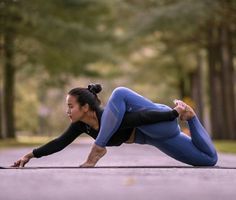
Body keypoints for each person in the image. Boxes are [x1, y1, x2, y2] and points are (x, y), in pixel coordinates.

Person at [12, 84, 218, 168]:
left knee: (119, 92)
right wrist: (30, 155)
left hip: (158, 122)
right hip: (156, 138)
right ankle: (191, 117)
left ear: (85, 107)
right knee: (208, 160)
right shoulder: (80, 126)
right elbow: (59, 142)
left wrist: (172, 114)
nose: (67, 111)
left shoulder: (109, 116)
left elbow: (139, 118)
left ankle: (97, 150)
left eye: (70, 106)